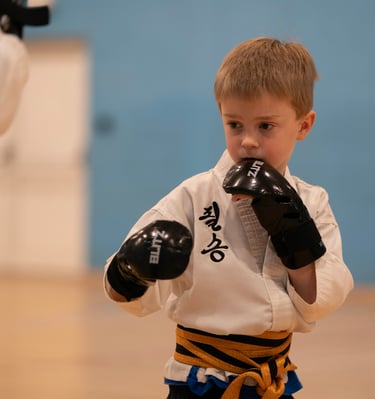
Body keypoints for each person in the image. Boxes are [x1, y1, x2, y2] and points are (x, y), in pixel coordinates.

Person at [103, 37, 354, 399]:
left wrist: (294, 236)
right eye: (235, 124)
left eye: (265, 126)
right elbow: (130, 296)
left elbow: (323, 298)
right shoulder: (193, 197)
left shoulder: (311, 201)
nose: (248, 141)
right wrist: (130, 271)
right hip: (197, 383)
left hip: (271, 381)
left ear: (303, 125)